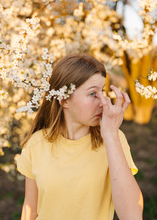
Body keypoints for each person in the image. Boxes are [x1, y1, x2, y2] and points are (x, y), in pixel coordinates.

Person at [16, 53, 143, 220]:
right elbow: (30, 210)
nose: (103, 101)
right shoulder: (36, 143)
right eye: (92, 94)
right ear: (64, 100)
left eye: (102, 91)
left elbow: (132, 215)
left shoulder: (113, 139)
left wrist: (111, 136)